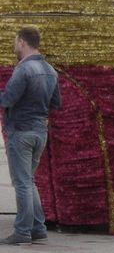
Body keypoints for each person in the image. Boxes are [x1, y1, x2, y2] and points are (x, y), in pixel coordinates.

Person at [0, 27, 60, 245]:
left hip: (21, 131)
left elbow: (8, 100)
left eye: (16, 42)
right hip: (39, 132)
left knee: (22, 183)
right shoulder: (50, 70)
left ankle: (22, 231)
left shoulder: (23, 70)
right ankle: (38, 228)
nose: (15, 46)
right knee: (29, 181)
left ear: (23, 42)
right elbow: (56, 103)